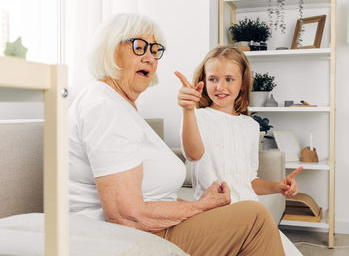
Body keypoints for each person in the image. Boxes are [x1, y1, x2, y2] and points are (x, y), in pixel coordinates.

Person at [68, 13, 285, 256]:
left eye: (155, 50)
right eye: (139, 47)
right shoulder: (103, 107)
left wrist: (196, 207)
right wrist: (200, 207)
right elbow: (126, 213)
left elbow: (147, 197)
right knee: (253, 217)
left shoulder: (120, 106)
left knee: (250, 218)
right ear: (109, 49)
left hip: (151, 228)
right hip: (128, 237)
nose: (150, 57)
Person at [176, 46, 304, 255]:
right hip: (214, 215)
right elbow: (193, 154)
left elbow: (249, 182)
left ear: (243, 84)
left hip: (250, 216)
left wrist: (278, 186)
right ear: (203, 81)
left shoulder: (251, 126)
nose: (220, 87)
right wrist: (187, 110)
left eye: (229, 79)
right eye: (213, 79)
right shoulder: (197, 117)